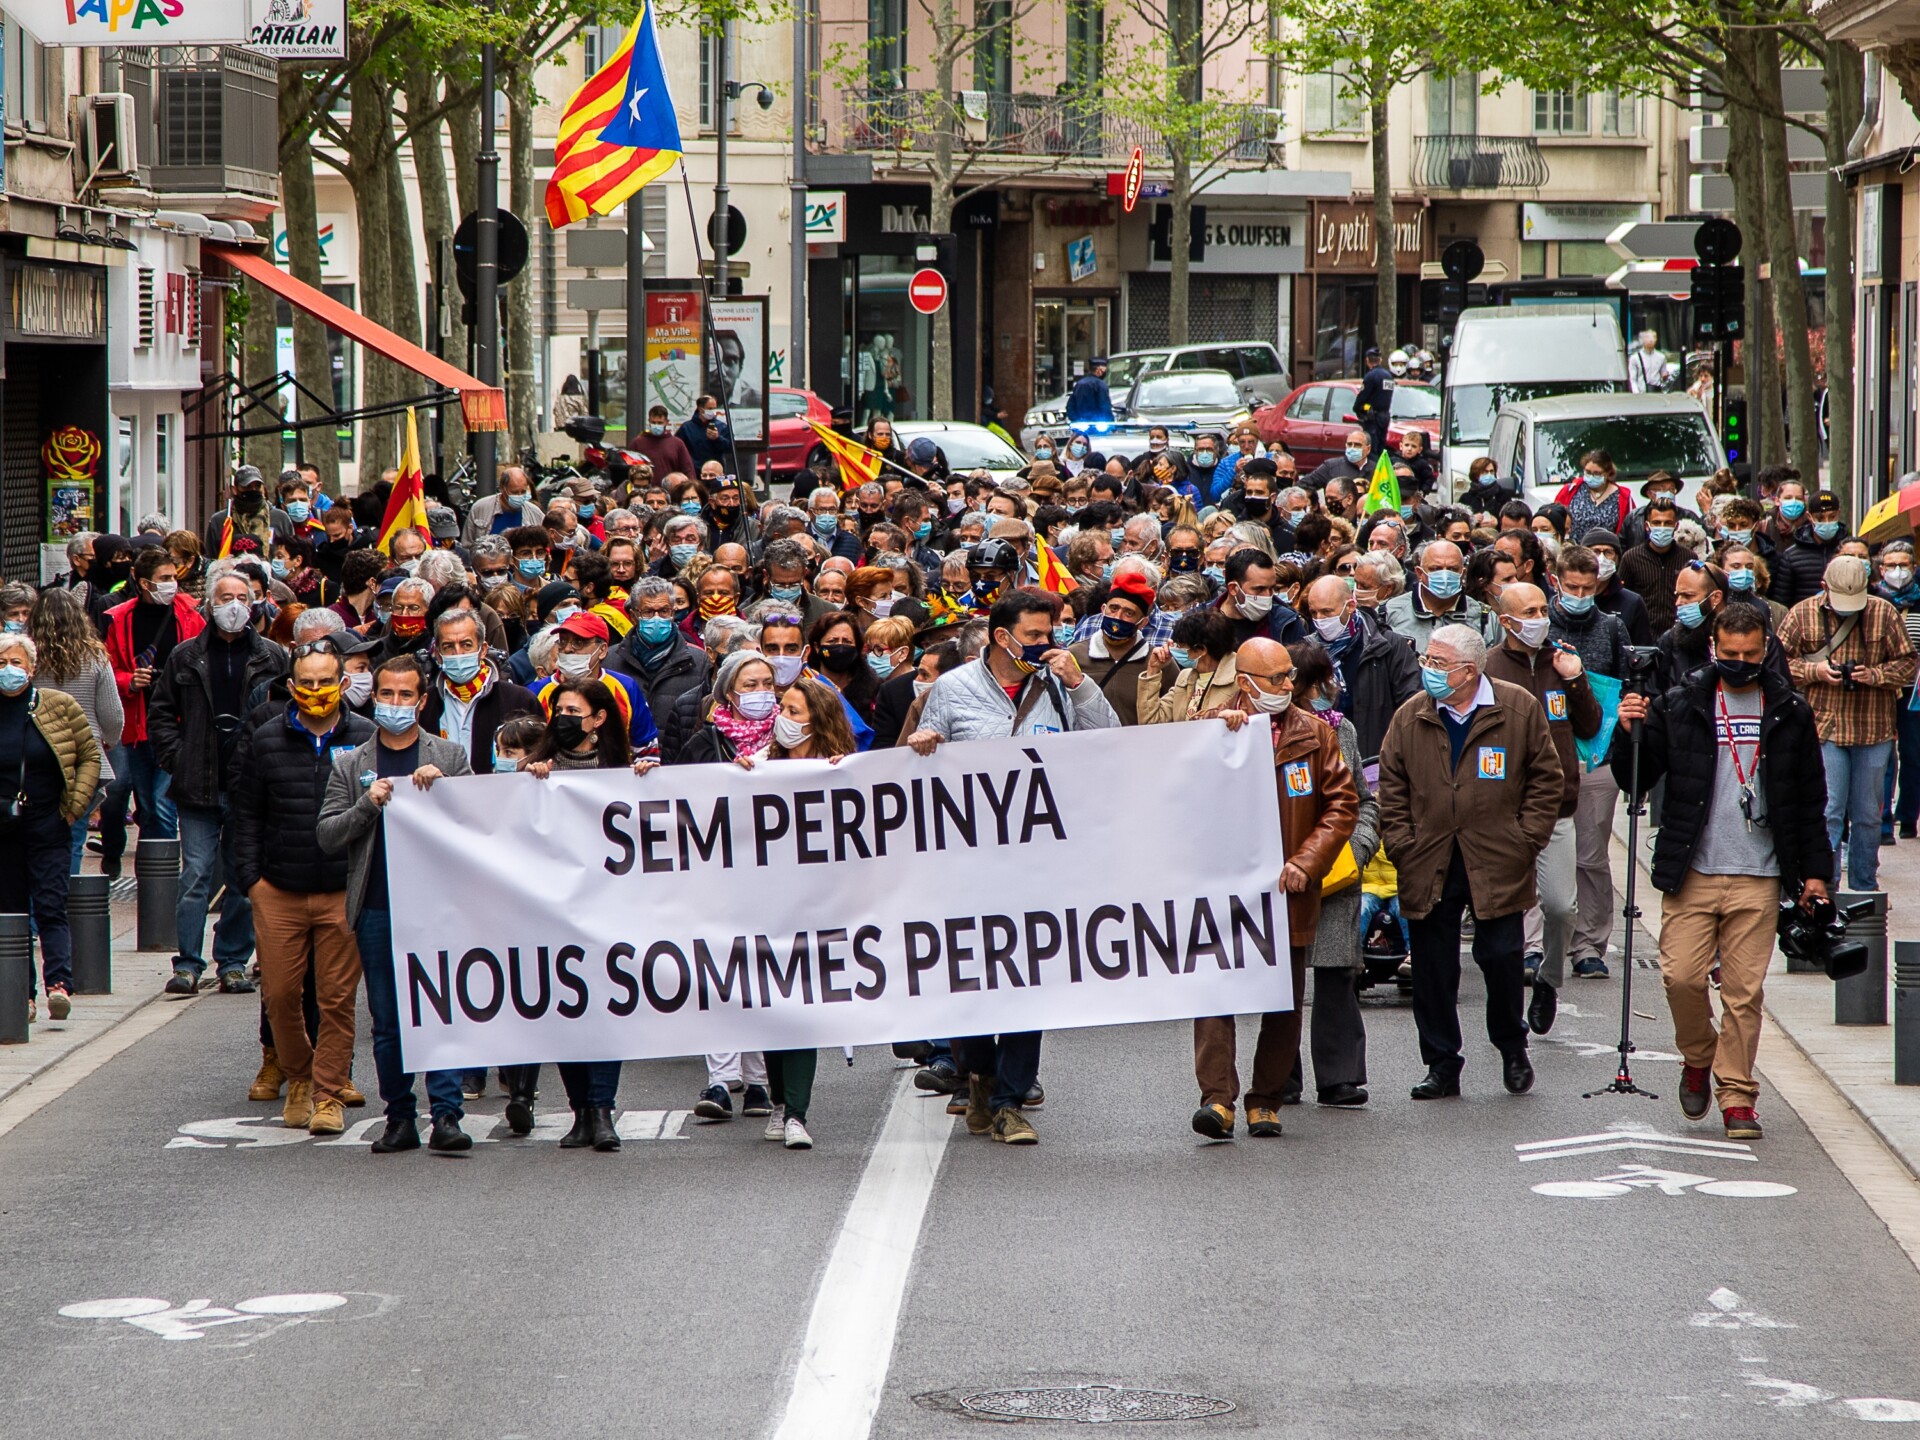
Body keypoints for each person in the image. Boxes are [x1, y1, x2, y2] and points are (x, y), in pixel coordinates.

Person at [908, 589, 1122, 1145]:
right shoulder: (952, 690)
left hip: (1038, 866)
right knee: (972, 980)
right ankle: (977, 1073)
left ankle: (1009, 1100)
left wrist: (1079, 683)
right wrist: (925, 741)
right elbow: (922, 767)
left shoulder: (1058, 684)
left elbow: (1112, 744)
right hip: (967, 866)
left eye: (1050, 632)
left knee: (1030, 981)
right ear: (1003, 637)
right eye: (1033, 635)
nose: (1044, 643)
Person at [1615, 602, 1832, 1140]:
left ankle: (1737, 1096)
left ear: (1766, 650)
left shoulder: (1789, 710)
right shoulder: (1682, 702)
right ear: (1714, 647)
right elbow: (1634, 780)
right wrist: (1628, 732)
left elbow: (1810, 800)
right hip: (1693, 870)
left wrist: (1816, 874)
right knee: (1681, 977)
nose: (1740, 662)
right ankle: (1697, 1056)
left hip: (1759, 874)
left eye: (1751, 654)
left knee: (1743, 993)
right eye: (1730, 654)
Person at [1378, 623, 1563, 1099]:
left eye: (1438, 664)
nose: (1428, 671)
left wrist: (1526, 840)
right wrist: (1402, 843)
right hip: (1428, 858)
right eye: (1428, 661)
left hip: (1499, 858)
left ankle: (1512, 1046)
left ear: (1468, 671)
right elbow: (1391, 788)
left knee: (1501, 959)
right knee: (1433, 970)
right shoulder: (1410, 715)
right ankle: (1442, 1063)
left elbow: (1546, 779)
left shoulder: (1517, 706)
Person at [1189, 638, 1358, 1139]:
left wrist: (1307, 861)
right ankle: (1217, 1101)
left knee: (1282, 999)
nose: (1289, 686)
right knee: (1216, 996)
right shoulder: (1211, 727)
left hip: (1289, 891)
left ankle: (1266, 1099)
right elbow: (1178, 788)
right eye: (1277, 679)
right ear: (1245, 683)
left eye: (1290, 677)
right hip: (1223, 891)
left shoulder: (1316, 734)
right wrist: (1214, 737)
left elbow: (1341, 805)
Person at [317, 654, 474, 1154]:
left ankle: (447, 1115)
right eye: (387, 694)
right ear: (373, 697)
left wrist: (444, 795)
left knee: (442, 1010)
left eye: (406, 695)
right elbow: (327, 834)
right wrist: (369, 804)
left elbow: (480, 829)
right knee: (387, 1020)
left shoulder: (449, 757)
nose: (395, 703)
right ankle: (400, 1117)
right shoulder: (351, 762)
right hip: (379, 907)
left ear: (423, 701)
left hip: (438, 908)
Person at [229, 635, 373, 1136]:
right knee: (282, 996)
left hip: (340, 888)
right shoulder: (267, 737)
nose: (316, 691)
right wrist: (252, 882)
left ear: (343, 683)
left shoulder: (367, 736)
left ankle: (327, 1094)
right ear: (291, 686)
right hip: (280, 890)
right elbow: (245, 813)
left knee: (336, 999)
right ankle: (299, 1076)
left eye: (326, 682)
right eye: (307, 683)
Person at [731, 675, 860, 1149]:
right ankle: (781, 1101)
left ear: (818, 721)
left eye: (794, 711)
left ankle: (796, 1114)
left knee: (803, 1008)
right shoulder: (758, 767)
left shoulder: (844, 770)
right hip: (765, 908)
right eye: (781, 708)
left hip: (820, 909)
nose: (782, 718)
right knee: (774, 1009)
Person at [148, 563, 290, 997]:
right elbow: (161, 714)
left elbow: (286, 714)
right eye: (225, 598)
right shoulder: (186, 655)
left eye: (242, 598)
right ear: (210, 603)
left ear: (255, 603)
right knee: (195, 877)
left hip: (249, 785)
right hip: (198, 786)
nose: (234, 607)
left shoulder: (272, 656)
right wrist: (177, 757)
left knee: (244, 880)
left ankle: (232, 961)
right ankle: (188, 963)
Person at [517, 677, 635, 1151]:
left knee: (604, 1009)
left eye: (573, 711)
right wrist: (525, 782)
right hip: (553, 910)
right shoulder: (532, 770)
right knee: (566, 1008)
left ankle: (603, 1109)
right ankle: (580, 1111)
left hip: (608, 908)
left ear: (599, 719)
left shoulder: (621, 769)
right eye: (558, 710)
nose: (563, 718)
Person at [1483, 583, 1598, 1036]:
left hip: (1557, 807)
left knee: (1560, 906)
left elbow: (1589, 724)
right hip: (1501, 813)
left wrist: (1576, 678)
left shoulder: (1560, 661)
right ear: (1506, 620)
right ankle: (1508, 996)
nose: (1539, 617)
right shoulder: (1488, 668)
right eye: (1527, 611)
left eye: (1541, 609)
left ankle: (1549, 981)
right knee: (1506, 913)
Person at [1779, 555, 1917, 893]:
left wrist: (1873, 675)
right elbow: (1776, 663)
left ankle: (1864, 889)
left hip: (1873, 728)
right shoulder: (1802, 613)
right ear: (1824, 588)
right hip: (1824, 727)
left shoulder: (1883, 613)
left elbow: (1909, 665)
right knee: (1829, 813)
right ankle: (1824, 887)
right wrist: (1816, 671)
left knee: (1869, 815)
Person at [1289, 641, 1378, 1107]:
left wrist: (1359, 849)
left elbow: (1364, 801)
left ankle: (1340, 1075)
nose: (1331, 688)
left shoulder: (1341, 730)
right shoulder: (1257, 730)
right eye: (1320, 679)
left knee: (1337, 974)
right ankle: (1280, 1073)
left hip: (1336, 871)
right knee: (1281, 977)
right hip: (1283, 873)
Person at [0, 631, 102, 1023]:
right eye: (2, 663)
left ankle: (58, 985)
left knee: (50, 905)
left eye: (16, 663)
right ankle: (20, 996)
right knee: (10, 913)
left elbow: (89, 754)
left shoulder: (57, 706)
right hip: (4, 830)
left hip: (48, 824)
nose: (9, 670)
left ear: (32, 667)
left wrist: (75, 805)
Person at [101, 546, 199, 878]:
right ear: (144, 583)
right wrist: (130, 680)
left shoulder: (190, 614)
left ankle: (163, 874)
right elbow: (108, 669)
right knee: (146, 802)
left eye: (174, 577)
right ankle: (154, 875)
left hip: (178, 725)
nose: (173, 584)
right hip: (139, 725)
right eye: (165, 578)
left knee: (162, 801)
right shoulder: (120, 619)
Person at [28, 587, 122, 872]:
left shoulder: (28, 659)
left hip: (36, 755)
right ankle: (67, 900)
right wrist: (109, 741)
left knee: (35, 836)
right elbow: (113, 715)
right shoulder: (95, 657)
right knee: (74, 834)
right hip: (83, 759)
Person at [1301, 573, 1419, 759]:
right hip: (1327, 760)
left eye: (1326, 612)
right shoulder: (1307, 652)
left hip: (1377, 759)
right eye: (1313, 612)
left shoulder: (1387, 645)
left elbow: (1411, 703)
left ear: (1350, 606)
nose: (1319, 620)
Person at [1066, 572, 1157, 725]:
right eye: (1113, 608)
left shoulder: (1156, 661)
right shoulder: (1074, 655)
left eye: (1129, 613)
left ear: (1142, 622)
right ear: (1103, 609)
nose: (1117, 617)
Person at [1137, 608, 1240, 725]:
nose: (1175, 650)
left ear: (1201, 650)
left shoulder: (1239, 679)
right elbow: (1150, 722)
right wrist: (1153, 670)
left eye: (1181, 646)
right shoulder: (1185, 678)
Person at [1382, 540, 1483, 657]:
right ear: (1419, 573)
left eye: (1453, 569)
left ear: (1463, 573)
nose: (1445, 576)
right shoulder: (1388, 612)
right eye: (1436, 569)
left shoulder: (1484, 618)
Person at [1617, 493, 1693, 636]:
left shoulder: (1688, 558)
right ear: (1647, 526)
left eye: (1668, 523)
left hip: (1678, 637)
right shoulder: (1631, 558)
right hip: (1641, 638)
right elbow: (1622, 599)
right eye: (1657, 523)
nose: (1662, 527)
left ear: (1676, 526)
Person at [1771, 489, 1850, 608]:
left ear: (1838, 513)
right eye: (1820, 518)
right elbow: (1782, 602)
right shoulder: (1791, 556)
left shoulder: (1850, 550)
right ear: (1809, 516)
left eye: (1832, 516)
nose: (1826, 522)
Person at [204, 465, 295, 556]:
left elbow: (291, 554)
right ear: (235, 490)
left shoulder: (280, 518)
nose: (253, 490)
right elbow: (210, 557)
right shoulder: (220, 520)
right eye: (247, 487)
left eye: (257, 486)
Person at [462, 465, 543, 546]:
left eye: (523, 492)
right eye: (514, 492)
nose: (519, 496)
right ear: (502, 488)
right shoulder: (480, 508)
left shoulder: (535, 513)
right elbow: (467, 545)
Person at [1353, 345, 1395, 456]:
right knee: (1381, 449)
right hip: (1385, 417)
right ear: (1380, 360)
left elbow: (1362, 398)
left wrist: (1358, 408)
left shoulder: (1371, 376)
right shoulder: (1389, 376)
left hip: (1373, 419)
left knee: (1372, 451)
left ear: (1367, 360)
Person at [1304, 429, 1371, 493]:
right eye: (1349, 444)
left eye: (1357, 445)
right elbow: (1303, 485)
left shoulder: (1376, 469)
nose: (1352, 448)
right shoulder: (1331, 467)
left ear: (1368, 449)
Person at [1066, 356, 1114, 425]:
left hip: (1081, 424)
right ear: (1098, 370)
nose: (1105, 372)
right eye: (1104, 370)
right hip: (1098, 425)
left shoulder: (1079, 384)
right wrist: (1111, 423)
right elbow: (1105, 406)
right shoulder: (1101, 385)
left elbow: (1070, 406)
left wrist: (1075, 420)